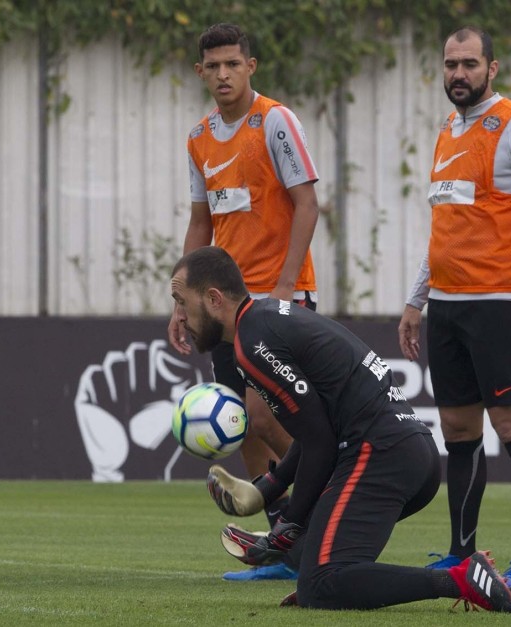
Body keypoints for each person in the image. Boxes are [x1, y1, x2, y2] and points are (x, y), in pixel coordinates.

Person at [170, 245, 511, 613]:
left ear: (212, 298)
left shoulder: (252, 342)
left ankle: (462, 579)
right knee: (312, 561)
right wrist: (269, 489)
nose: (179, 315)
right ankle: (338, 581)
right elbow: (315, 429)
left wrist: (285, 527)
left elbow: (320, 443)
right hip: (409, 453)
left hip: (379, 454)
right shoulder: (264, 319)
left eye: (181, 300)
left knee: (320, 585)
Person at [397, 26, 511, 591]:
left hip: (500, 303)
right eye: (451, 65)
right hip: (447, 308)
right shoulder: (448, 130)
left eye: (470, 64)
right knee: (458, 434)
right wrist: (415, 299)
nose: (459, 75)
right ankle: (460, 554)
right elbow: (445, 226)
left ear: (491, 68)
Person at [166, 23, 321, 581]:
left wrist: (283, 286)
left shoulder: (275, 121)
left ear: (250, 66)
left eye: (234, 63)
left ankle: (327, 511)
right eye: (214, 66)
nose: (224, 73)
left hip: (277, 297)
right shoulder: (199, 137)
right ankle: (283, 545)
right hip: (224, 306)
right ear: (201, 71)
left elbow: (307, 204)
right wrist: (185, 303)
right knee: (242, 423)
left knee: (268, 413)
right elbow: (200, 223)